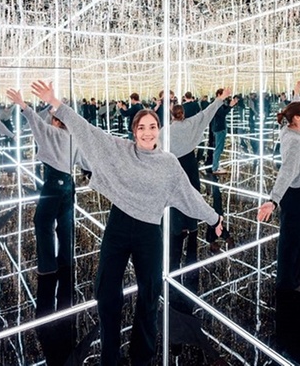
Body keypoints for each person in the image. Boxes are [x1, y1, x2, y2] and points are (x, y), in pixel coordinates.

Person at [30, 80, 223, 366]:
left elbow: (189, 196)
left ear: (159, 130)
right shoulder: (121, 150)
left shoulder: (169, 164)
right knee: (106, 292)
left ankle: (141, 354)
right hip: (119, 227)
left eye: (152, 127)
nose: (147, 132)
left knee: (149, 294)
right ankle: (110, 352)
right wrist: (58, 105)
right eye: (141, 128)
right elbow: (88, 131)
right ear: (134, 132)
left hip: (149, 233)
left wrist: (214, 217)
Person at [7, 88, 78, 365]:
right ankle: (66, 261)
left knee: (42, 222)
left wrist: (23, 105)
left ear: (57, 120)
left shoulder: (51, 133)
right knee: (65, 223)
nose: (48, 119)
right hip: (69, 183)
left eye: (52, 116)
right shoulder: (73, 136)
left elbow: (34, 123)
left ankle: (48, 266)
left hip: (53, 183)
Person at [161, 90, 233, 313]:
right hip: (190, 165)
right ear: (183, 114)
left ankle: (177, 229)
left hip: (173, 165)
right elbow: (208, 114)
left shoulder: (166, 132)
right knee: (193, 194)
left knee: (175, 198)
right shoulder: (192, 124)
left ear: (172, 115)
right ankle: (192, 227)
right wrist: (220, 99)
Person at [257, 96, 300, 294]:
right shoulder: (294, 142)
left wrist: (297, 94)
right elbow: (287, 172)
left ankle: (296, 273)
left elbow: (293, 110)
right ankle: (288, 281)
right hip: (294, 193)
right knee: (293, 238)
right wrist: (273, 200)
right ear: (297, 118)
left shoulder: (294, 128)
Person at [206, 88, 238, 175]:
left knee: (219, 148)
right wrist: (230, 106)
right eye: (224, 94)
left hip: (220, 127)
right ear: (219, 95)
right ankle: (215, 168)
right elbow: (222, 113)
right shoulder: (216, 104)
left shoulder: (219, 103)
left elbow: (224, 111)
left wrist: (230, 106)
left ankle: (216, 165)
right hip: (219, 128)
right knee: (218, 149)